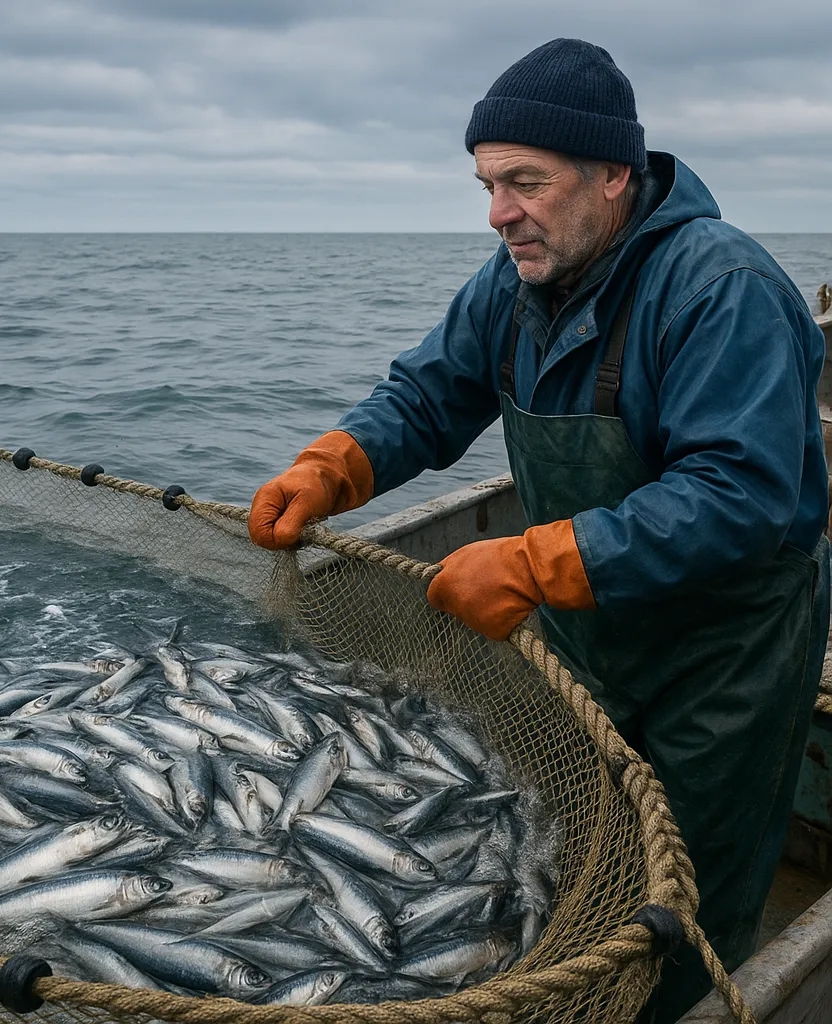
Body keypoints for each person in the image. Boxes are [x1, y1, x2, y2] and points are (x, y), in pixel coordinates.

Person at [247, 37, 831, 1022]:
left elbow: (741, 495)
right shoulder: (512, 282)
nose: (497, 211)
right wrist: (336, 461)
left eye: (524, 181)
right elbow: (428, 396)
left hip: (723, 653)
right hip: (585, 631)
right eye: (485, 183)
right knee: (568, 841)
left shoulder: (718, 288)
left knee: (686, 890)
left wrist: (539, 555)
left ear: (612, 176)